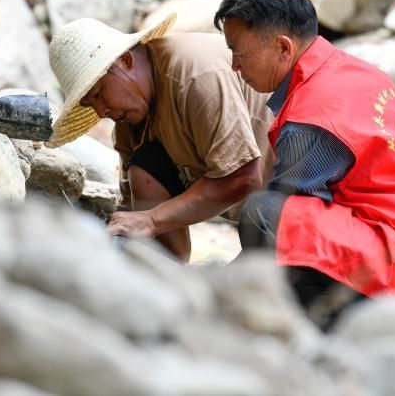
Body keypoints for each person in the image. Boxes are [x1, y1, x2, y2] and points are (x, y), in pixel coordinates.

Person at [214, 0, 395, 390]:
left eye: (239, 53)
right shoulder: (354, 72)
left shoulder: (313, 115)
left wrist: (211, 297)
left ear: (283, 48)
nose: (235, 67)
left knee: (265, 216)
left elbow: (285, 232)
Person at [47, 14, 273, 262]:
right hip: (256, 210)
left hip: (298, 197)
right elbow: (130, 211)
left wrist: (153, 220)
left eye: (99, 94)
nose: (101, 112)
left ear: (125, 61)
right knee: (145, 164)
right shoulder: (130, 116)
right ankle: (168, 267)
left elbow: (244, 177)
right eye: (91, 105)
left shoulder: (194, 75)